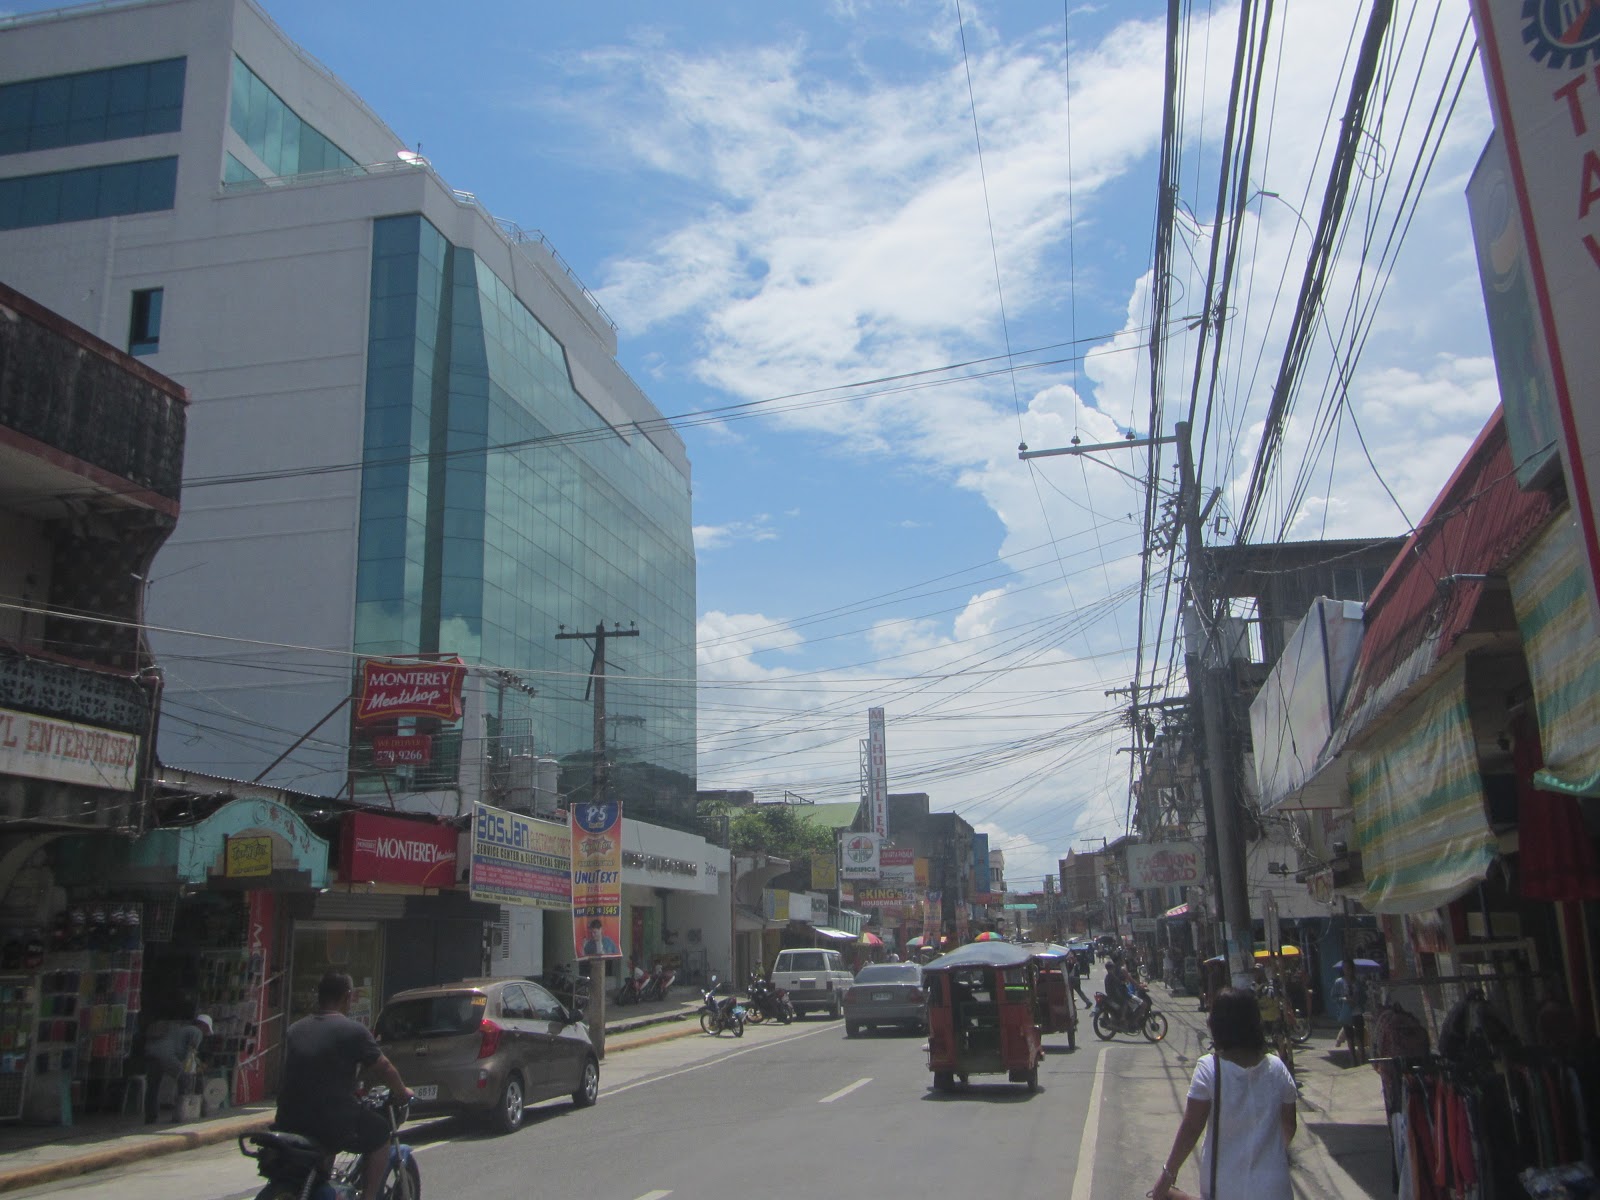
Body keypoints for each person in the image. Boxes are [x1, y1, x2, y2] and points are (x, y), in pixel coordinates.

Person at [1151, 988, 1298, 1200]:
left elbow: (1192, 1127)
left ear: (1216, 1025)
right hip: (1275, 1189)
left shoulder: (1209, 1068)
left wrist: (1166, 1177)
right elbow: (1289, 1125)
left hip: (1227, 1188)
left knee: (1170, 1196)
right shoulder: (1276, 1068)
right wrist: (1267, 1154)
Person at [276, 972, 411, 1200]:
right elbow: (384, 1068)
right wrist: (402, 1092)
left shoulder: (295, 1029)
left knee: (324, 1142)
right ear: (347, 997)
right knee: (380, 1135)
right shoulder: (353, 1030)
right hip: (332, 1118)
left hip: (288, 1118)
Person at [142, 1012, 211, 1123]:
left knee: (152, 1087)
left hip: (151, 1052)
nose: (207, 1034)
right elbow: (191, 1054)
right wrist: (191, 1070)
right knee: (185, 1079)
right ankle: (181, 1114)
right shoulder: (197, 1032)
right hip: (167, 1056)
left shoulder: (182, 1029)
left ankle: (150, 1118)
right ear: (205, 1026)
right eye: (208, 1030)